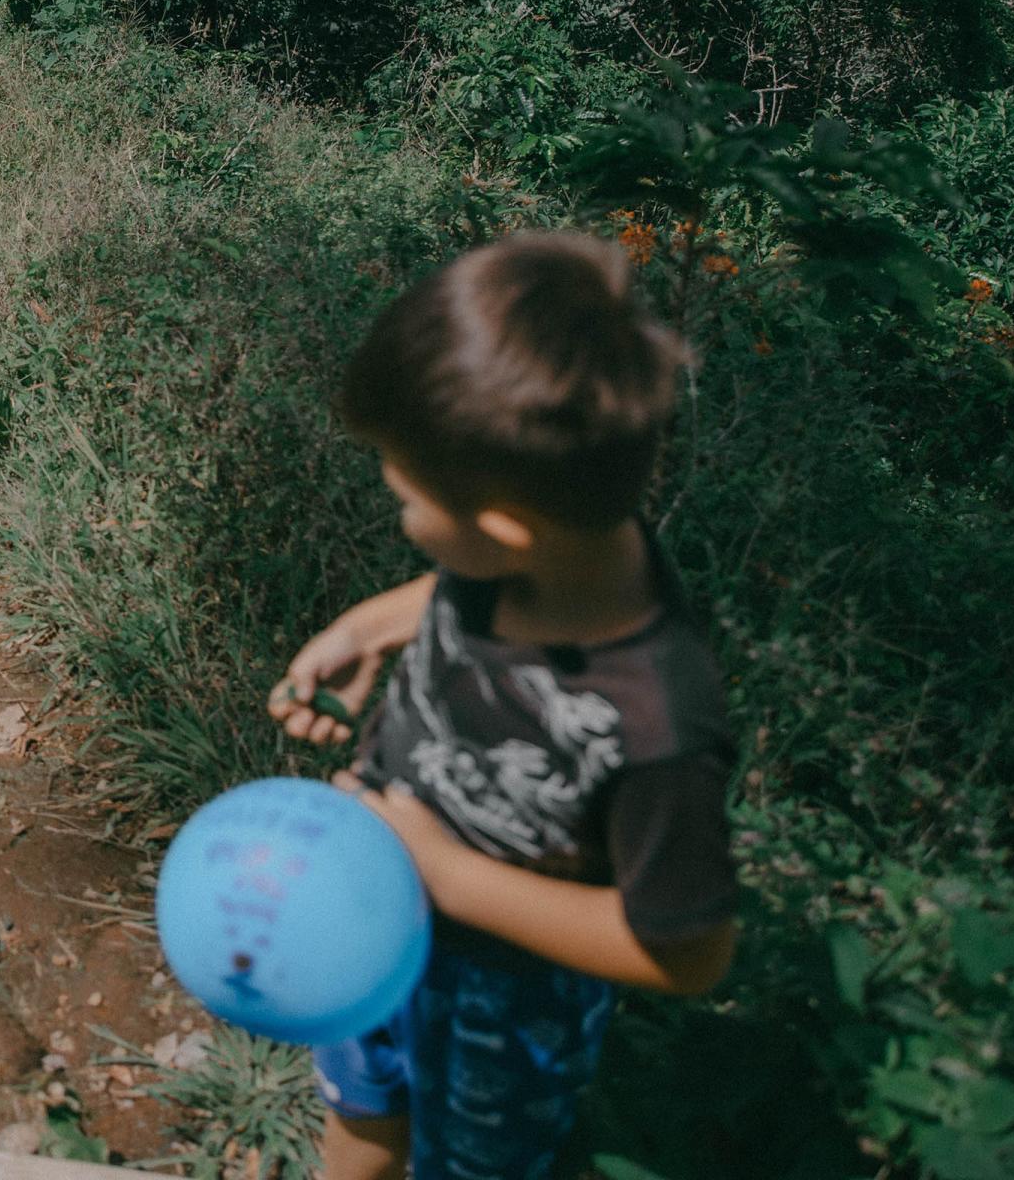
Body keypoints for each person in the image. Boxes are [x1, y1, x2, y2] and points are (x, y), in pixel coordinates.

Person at [269, 231, 738, 1180]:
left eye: (407, 499)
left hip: (502, 1003)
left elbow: (689, 954)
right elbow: (463, 592)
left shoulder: (656, 729)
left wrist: (446, 875)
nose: (402, 520)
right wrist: (371, 629)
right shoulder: (559, 547)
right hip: (378, 910)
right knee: (362, 1113)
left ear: (504, 529)